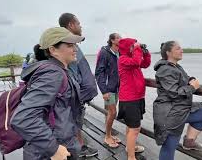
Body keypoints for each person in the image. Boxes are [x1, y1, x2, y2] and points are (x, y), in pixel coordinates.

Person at [11, 27, 84, 160]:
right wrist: (53, 148)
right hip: (49, 152)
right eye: (69, 45)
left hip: (61, 143)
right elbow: (23, 117)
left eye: (75, 45)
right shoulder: (53, 73)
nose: (75, 49)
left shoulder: (60, 70)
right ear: (52, 50)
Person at [153, 41, 202, 160]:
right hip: (169, 114)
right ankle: (187, 142)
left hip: (178, 109)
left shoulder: (175, 66)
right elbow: (174, 92)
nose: (182, 50)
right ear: (168, 52)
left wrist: (191, 79)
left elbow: (182, 78)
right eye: (178, 48)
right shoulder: (165, 69)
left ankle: (189, 142)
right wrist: (192, 87)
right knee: (169, 148)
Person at [58, 13, 99, 157]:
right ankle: (75, 149)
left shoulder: (72, 45)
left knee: (76, 122)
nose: (80, 26)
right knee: (71, 123)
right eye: (78, 23)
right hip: (73, 95)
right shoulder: (64, 45)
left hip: (77, 95)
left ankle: (79, 146)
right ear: (71, 25)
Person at [117, 38, 151, 160]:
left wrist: (145, 52)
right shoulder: (123, 59)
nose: (135, 47)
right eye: (132, 46)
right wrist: (137, 49)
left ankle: (129, 147)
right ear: (127, 48)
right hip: (129, 99)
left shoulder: (132, 59)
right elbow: (137, 62)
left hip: (137, 97)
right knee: (135, 128)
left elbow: (145, 64)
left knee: (131, 126)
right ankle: (131, 157)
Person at [95, 33, 122, 148]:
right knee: (112, 112)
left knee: (112, 112)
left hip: (117, 88)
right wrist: (104, 91)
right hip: (108, 89)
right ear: (112, 40)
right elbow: (99, 72)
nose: (121, 40)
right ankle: (107, 137)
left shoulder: (119, 52)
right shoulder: (104, 52)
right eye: (118, 38)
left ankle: (109, 134)